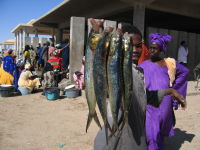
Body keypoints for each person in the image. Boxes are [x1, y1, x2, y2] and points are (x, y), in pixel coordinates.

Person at [88, 19, 186, 150]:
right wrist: (96, 33)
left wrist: (170, 91)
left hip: (138, 137)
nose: (134, 50)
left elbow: (144, 98)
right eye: (129, 45)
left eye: (138, 45)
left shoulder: (139, 70)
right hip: (122, 139)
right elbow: (99, 61)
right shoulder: (117, 68)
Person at [139, 33, 189, 150]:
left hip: (165, 103)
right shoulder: (142, 65)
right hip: (151, 103)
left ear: (161, 49)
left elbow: (185, 72)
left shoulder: (169, 64)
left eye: (155, 48)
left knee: (159, 132)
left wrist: (174, 89)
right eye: (150, 47)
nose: (151, 50)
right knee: (151, 133)